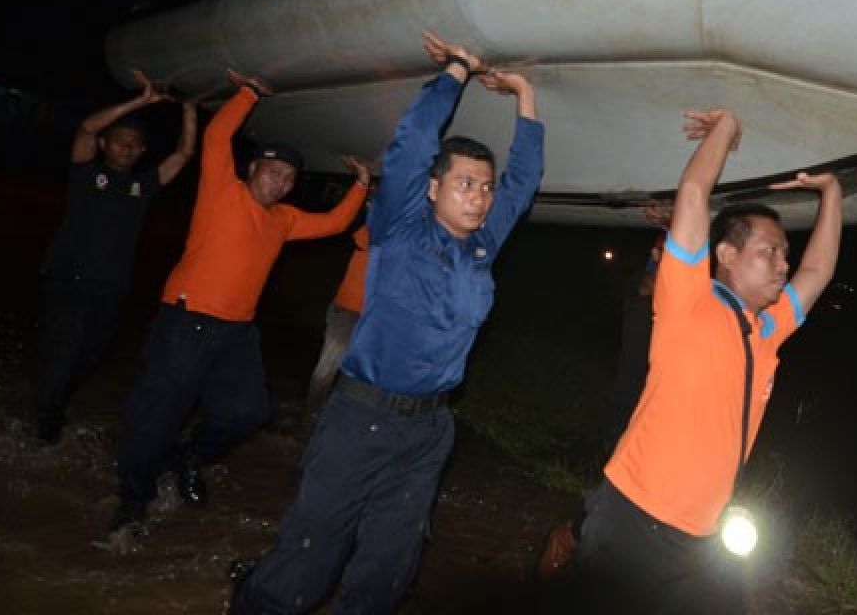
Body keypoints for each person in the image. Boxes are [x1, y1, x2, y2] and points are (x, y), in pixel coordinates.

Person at [233, 31, 544, 614]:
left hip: (428, 434)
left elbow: (523, 181)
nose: (479, 197)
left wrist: (525, 93)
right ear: (433, 188)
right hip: (361, 419)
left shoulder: (483, 245)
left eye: (483, 187)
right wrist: (458, 70)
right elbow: (412, 141)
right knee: (307, 558)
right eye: (464, 184)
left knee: (387, 574)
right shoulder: (404, 226)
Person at [573, 108, 843, 612]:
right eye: (769, 252)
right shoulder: (687, 300)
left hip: (701, 539)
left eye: (785, 253)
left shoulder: (766, 330)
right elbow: (694, 195)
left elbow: (819, 268)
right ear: (726, 254)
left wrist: (830, 193)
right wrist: (726, 128)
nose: (783, 265)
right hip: (634, 516)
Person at [111, 69, 370, 537]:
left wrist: (361, 185)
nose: (282, 183)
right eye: (274, 172)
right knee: (156, 419)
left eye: (290, 177)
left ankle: (190, 456)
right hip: (185, 322)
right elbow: (217, 134)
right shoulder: (222, 192)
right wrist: (249, 93)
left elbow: (334, 224)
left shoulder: (285, 220)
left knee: (248, 412)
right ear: (254, 170)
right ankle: (131, 507)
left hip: (236, 332)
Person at [36, 70, 196, 445]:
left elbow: (184, 154)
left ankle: (54, 398)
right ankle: (47, 427)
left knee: (96, 351)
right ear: (107, 144)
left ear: (142, 151)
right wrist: (142, 100)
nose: (127, 148)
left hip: (111, 287)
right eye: (120, 142)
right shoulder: (86, 173)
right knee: (65, 350)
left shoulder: (142, 186)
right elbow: (87, 129)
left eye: (135, 145)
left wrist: (189, 110)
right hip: (66, 279)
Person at [538, 201, 670, 581]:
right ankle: (570, 539)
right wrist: (675, 227)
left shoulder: (678, 315)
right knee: (619, 500)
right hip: (631, 422)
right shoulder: (644, 308)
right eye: (659, 260)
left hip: (656, 425)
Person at [303, 222, 370, 422]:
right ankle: (310, 418)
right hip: (347, 310)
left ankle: (339, 421)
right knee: (328, 368)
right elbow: (362, 238)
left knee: (359, 375)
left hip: (374, 316)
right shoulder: (375, 228)